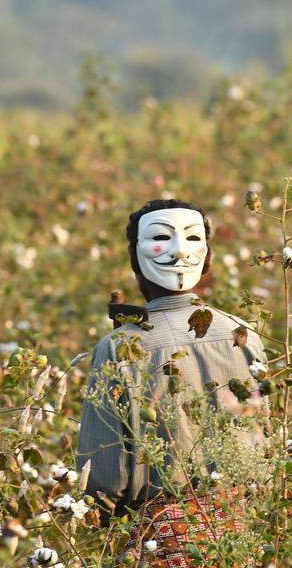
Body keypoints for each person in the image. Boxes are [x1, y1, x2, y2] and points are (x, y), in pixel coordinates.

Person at [76, 199, 267, 565]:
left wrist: (96, 513)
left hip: (159, 530)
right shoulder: (246, 335)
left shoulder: (121, 346)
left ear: (134, 261)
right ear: (207, 261)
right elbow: (263, 437)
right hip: (240, 523)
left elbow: (103, 470)